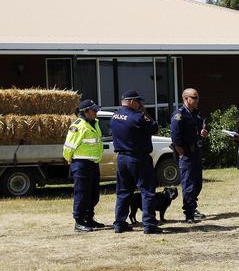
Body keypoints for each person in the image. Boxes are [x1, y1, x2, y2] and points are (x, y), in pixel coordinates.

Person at [110, 90, 163, 234]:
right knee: (147, 191)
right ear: (132, 101)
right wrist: (144, 112)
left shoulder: (114, 116)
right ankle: (149, 224)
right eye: (139, 102)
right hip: (138, 158)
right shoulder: (138, 117)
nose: (140, 104)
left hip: (122, 158)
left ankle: (119, 223)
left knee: (123, 192)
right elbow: (155, 129)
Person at [63, 99, 104, 233]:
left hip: (93, 163)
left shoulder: (95, 123)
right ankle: (79, 222)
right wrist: (69, 159)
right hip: (81, 164)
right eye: (94, 110)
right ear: (85, 112)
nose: (96, 112)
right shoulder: (78, 126)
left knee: (93, 194)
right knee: (82, 194)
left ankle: (89, 218)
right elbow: (69, 146)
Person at [171, 88, 208, 223]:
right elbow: (175, 136)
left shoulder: (196, 114)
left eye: (198, 97)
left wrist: (203, 133)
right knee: (188, 184)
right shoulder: (179, 115)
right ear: (186, 99)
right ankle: (189, 214)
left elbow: (197, 131)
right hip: (186, 154)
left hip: (196, 152)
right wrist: (180, 151)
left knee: (197, 183)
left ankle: (193, 207)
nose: (198, 100)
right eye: (195, 97)